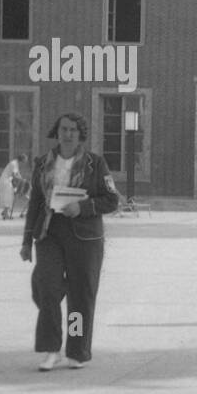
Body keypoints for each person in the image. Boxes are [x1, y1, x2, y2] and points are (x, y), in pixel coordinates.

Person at [20, 113, 119, 371]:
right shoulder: (44, 163)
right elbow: (35, 204)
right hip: (49, 232)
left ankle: (76, 350)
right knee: (47, 290)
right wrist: (26, 241)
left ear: (81, 133)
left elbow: (112, 200)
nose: (68, 134)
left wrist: (84, 207)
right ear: (57, 131)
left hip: (84, 236)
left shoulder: (94, 164)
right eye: (64, 129)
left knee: (80, 296)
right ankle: (52, 349)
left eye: (74, 130)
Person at [0, 152, 29, 220]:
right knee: (8, 196)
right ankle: (6, 214)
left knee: (10, 196)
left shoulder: (16, 164)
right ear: (22, 160)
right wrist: (22, 180)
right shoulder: (14, 164)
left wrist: (22, 180)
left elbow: (18, 175)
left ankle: (4, 212)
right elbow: (14, 176)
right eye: (24, 161)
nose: (24, 163)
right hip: (6, 180)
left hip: (7, 180)